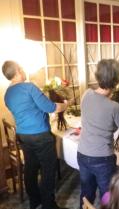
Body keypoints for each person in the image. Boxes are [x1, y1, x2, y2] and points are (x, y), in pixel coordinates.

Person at [2, 61, 69, 209]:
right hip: (40, 136)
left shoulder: (7, 94)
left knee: (30, 168)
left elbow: (25, 111)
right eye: (22, 68)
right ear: (18, 72)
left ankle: (35, 201)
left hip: (23, 136)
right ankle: (48, 205)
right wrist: (65, 104)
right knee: (48, 169)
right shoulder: (29, 88)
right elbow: (50, 107)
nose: (24, 70)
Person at [77, 59, 119, 208]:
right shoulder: (115, 107)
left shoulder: (86, 94)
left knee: (86, 193)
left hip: (82, 153)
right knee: (107, 196)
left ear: (98, 76)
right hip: (102, 158)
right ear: (116, 81)